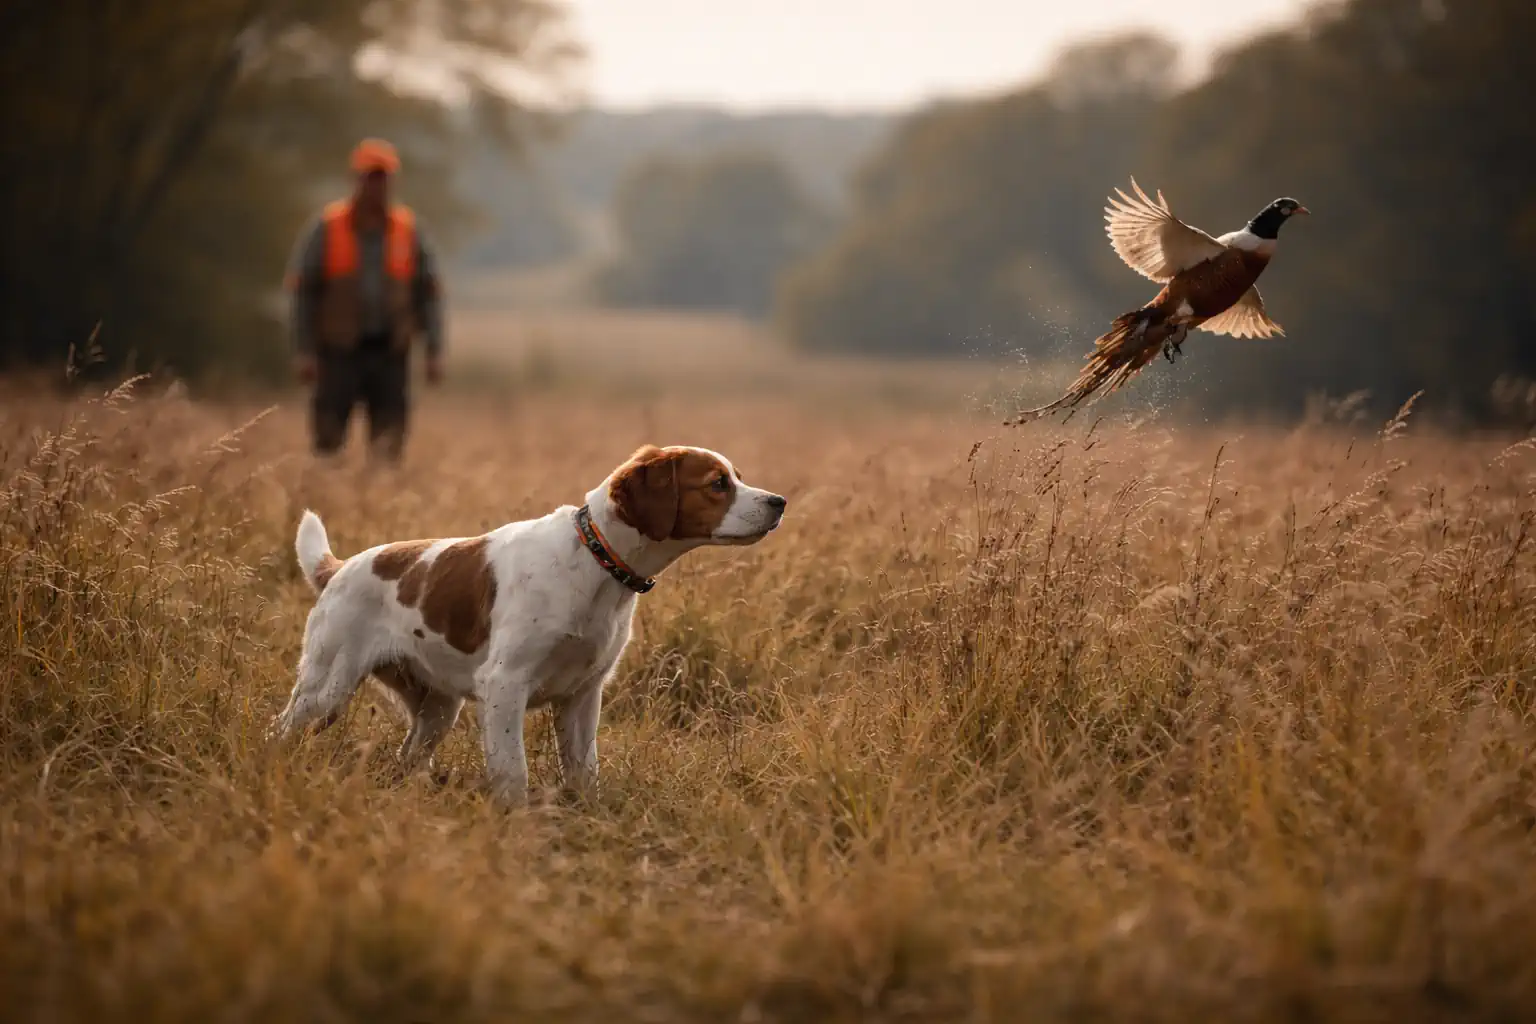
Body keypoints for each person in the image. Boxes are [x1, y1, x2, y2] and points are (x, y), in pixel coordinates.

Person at [286, 138, 444, 461]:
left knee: (389, 445)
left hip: (391, 354)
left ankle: (380, 503)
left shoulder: (409, 230)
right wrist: (303, 350)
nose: (376, 186)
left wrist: (434, 350)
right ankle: (328, 503)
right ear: (355, 180)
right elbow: (304, 291)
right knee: (328, 442)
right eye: (370, 177)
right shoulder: (328, 227)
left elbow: (429, 293)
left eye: (382, 178)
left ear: (392, 182)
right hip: (338, 352)